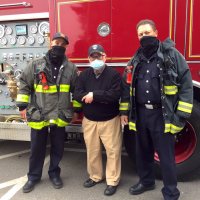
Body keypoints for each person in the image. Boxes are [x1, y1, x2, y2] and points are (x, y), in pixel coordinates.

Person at [120, 19, 193, 200]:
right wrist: (124, 112)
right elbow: (126, 86)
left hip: (162, 115)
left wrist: (180, 117)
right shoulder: (135, 59)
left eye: (147, 33)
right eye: (140, 34)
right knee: (142, 152)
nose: (144, 37)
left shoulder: (172, 56)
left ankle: (170, 192)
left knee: (166, 156)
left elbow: (186, 86)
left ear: (156, 32)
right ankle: (146, 181)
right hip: (140, 114)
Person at [16, 32, 80, 193]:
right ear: (50, 44)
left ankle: (54, 174)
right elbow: (24, 82)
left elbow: (77, 89)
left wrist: (77, 109)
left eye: (62, 43)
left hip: (59, 115)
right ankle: (33, 177)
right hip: (40, 113)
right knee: (37, 148)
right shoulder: (36, 65)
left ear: (66, 47)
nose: (58, 45)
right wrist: (22, 106)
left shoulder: (71, 68)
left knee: (58, 148)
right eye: (56, 42)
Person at [74, 44, 122, 196]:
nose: (96, 59)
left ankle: (112, 181)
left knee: (113, 151)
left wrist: (94, 95)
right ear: (88, 59)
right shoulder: (84, 75)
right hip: (90, 121)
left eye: (98, 56)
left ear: (104, 57)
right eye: (92, 56)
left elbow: (114, 95)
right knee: (92, 151)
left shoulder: (113, 75)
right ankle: (95, 177)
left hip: (110, 120)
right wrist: (94, 96)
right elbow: (77, 93)